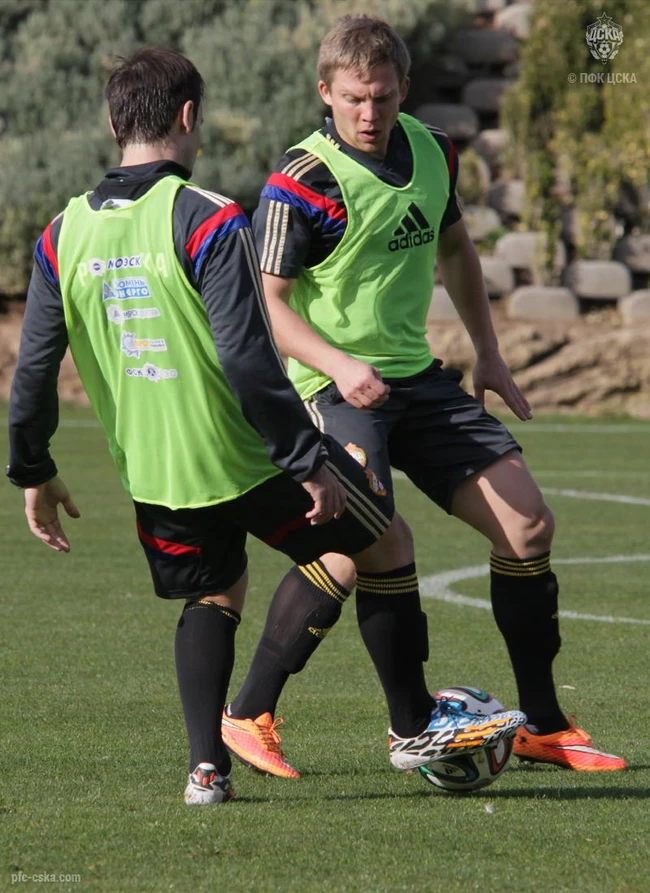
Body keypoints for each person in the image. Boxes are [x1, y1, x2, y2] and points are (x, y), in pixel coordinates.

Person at [6, 47, 526, 805]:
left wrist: (32, 469)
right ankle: (413, 724)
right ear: (190, 116)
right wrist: (307, 460)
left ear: (114, 124)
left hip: (155, 471)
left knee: (214, 593)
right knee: (386, 543)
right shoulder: (207, 216)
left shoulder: (61, 233)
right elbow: (249, 362)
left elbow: (32, 373)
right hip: (251, 456)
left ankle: (205, 771)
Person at [221, 14, 627, 776]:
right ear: (325, 93)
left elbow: (456, 248)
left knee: (528, 523)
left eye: (381, 96)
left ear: (403, 87)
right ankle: (253, 711)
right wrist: (339, 365)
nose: (368, 113)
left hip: (414, 377)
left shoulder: (435, 151)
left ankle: (542, 724)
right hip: (329, 386)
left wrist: (489, 352)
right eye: (353, 99)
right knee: (365, 543)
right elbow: (266, 307)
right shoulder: (300, 181)